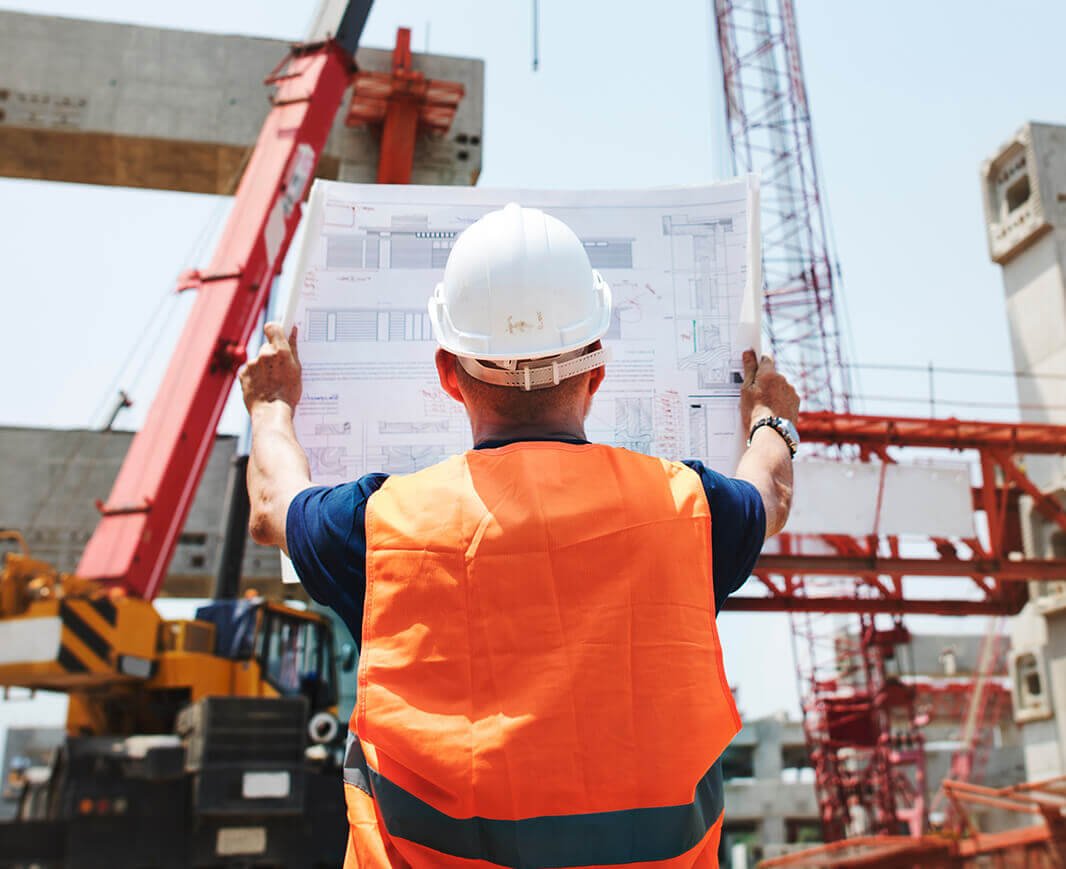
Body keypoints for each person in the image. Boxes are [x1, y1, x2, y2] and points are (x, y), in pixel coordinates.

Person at [240, 203, 799, 868]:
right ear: (596, 371)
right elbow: (772, 493)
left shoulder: (380, 525)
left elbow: (271, 503)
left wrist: (271, 406)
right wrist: (772, 420)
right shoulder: (689, 508)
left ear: (450, 375)